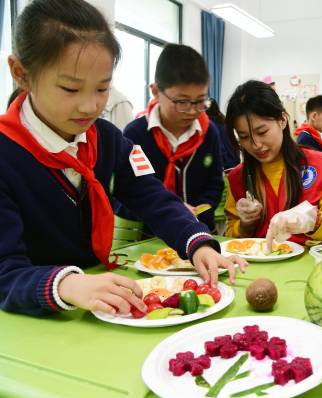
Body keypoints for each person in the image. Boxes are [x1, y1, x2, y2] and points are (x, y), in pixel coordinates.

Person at [0, 0, 246, 317]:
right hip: (30, 313)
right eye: (70, 89)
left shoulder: (106, 139)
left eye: (102, 89)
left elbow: (150, 194)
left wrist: (195, 240)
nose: (90, 106)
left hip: (98, 303)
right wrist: (67, 285)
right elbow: (5, 272)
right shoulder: (7, 153)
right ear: (21, 73)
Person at [224, 81, 322, 250]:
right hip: (255, 265)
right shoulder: (237, 178)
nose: (256, 145)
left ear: (282, 120)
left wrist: (314, 221)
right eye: (244, 137)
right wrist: (245, 225)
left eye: (262, 132)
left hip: (310, 263)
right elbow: (230, 237)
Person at [119, 44, 224, 231]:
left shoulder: (209, 133)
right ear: (156, 91)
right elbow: (125, 192)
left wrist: (200, 210)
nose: (192, 111)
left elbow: (215, 183)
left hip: (201, 231)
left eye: (200, 101)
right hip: (150, 236)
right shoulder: (136, 135)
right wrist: (171, 211)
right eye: (182, 102)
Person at [205, 97, 240, 171]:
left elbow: (219, 147)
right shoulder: (223, 119)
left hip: (226, 163)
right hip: (235, 159)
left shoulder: (210, 124)